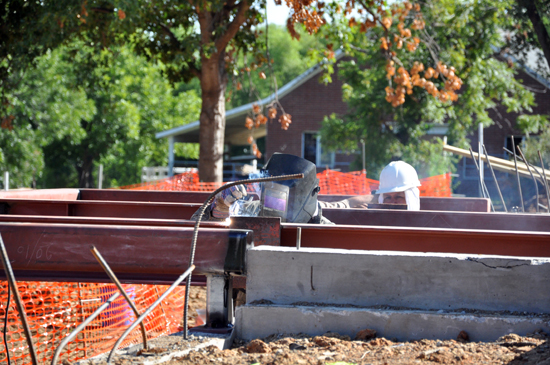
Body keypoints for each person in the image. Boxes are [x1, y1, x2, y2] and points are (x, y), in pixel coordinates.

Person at [318, 160, 421, 211]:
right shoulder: (373, 204)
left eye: (399, 197)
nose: (393, 202)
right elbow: (340, 206)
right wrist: (360, 217)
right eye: (388, 197)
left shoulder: (424, 223)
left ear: (411, 198)